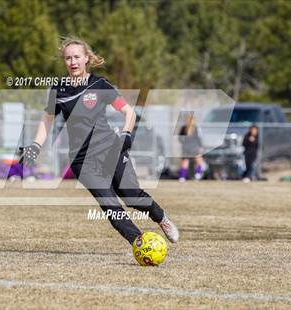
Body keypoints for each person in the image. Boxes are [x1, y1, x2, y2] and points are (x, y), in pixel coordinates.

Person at [18, 37, 178, 245]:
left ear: (86, 58)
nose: (72, 62)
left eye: (77, 57)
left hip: (111, 149)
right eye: (68, 58)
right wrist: (36, 146)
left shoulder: (100, 85)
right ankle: (139, 242)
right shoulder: (58, 90)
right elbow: (47, 121)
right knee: (110, 205)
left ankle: (161, 218)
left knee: (130, 195)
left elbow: (129, 113)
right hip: (82, 160)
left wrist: (126, 135)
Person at [178, 115, 204, 181]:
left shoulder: (183, 128)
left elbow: (180, 139)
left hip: (186, 148)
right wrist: (201, 146)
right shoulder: (196, 128)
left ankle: (182, 177)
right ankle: (198, 175)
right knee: (199, 162)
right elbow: (199, 138)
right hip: (194, 147)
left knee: (185, 162)